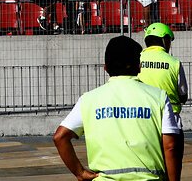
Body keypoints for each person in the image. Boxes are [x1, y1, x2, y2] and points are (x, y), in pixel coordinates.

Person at [53, 35, 181, 181]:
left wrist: (80, 172)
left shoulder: (88, 100)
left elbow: (60, 137)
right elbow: (170, 146)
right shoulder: (158, 97)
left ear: (105, 67)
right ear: (138, 66)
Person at [138, 23, 188, 168]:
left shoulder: (137, 59)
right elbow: (183, 94)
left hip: (143, 119)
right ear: (164, 40)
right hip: (171, 121)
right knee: (173, 164)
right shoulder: (174, 63)